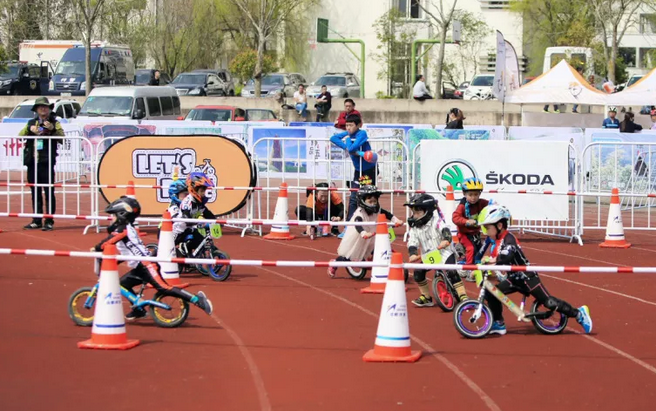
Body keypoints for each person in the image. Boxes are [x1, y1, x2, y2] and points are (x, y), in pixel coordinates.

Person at [478, 204, 592, 335]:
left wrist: (493, 261)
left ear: (499, 226)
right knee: (492, 293)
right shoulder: (497, 241)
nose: (485, 231)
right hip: (514, 278)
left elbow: (507, 256)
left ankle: (578, 313)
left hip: (527, 277)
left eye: (487, 228)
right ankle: (498, 323)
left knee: (548, 302)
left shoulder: (509, 239)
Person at [92, 196, 213, 320]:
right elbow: (129, 253)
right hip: (141, 266)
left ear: (121, 215)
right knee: (122, 284)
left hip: (147, 266)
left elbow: (107, 243)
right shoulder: (127, 229)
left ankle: (197, 299)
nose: (112, 219)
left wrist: (96, 248)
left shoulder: (122, 230)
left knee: (165, 288)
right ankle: (138, 309)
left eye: (114, 216)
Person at [327, 182, 402, 278]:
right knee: (350, 256)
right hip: (359, 235)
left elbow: (387, 214)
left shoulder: (377, 209)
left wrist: (396, 220)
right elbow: (357, 224)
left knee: (378, 248)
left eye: (375, 201)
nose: (373, 204)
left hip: (372, 233)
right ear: (363, 201)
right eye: (370, 202)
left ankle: (377, 261)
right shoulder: (360, 213)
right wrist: (363, 233)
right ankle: (334, 264)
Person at [405, 194, 467, 307]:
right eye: (413, 212)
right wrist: (413, 253)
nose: (415, 215)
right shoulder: (415, 227)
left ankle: (463, 295)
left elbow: (445, 230)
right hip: (430, 254)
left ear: (427, 211)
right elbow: (412, 241)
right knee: (418, 272)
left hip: (444, 252)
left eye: (418, 212)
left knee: (451, 271)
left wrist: (446, 239)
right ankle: (426, 297)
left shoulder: (436, 221)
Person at [19, 97, 64, 231]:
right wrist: (30, 129)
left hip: (46, 162)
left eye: (45, 107)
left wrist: (52, 129)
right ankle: (36, 220)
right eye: (40, 107)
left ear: (49, 109)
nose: (43, 109)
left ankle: (49, 221)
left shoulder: (55, 122)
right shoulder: (31, 122)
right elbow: (20, 135)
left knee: (49, 191)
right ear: (36, 109)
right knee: (35, 191)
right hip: (32, 162)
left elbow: (62, 137)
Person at [330, 114, 378, 225]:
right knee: (353, 197)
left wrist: (348, 141)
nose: (348, 128)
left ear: (358, 125)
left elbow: (352, 148)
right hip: (358, 170)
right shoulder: (348, 133)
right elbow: (333, 138)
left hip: (368, 170)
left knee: (370, 196)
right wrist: (347, 147)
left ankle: (371, 222)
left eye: (351, 125)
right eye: (346, 125)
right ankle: (349, 225)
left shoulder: (362, 134)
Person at [452, 177, 489, 281]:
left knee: (479, 251)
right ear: (464, 194)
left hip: (476, 234)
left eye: (476, 194)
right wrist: (466, 221)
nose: (473, 197)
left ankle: (473, 264)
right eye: (470, 195)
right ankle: (469, 270)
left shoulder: (481, 203)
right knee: (471, 249)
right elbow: (455, 217)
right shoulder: (462, 206)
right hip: (464, 234)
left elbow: (491, 205)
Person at [172, 172, 217, 256]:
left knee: (201, 241)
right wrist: (201, 223)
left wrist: (216, 221)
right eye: (202, 191)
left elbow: (207, 213)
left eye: (205, 190)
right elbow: (187, 219)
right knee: (169, 250)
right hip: (179, 231)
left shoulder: (199, 202)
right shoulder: (187, 202)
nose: (204, 193)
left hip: (190, 229)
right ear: (194, 189)